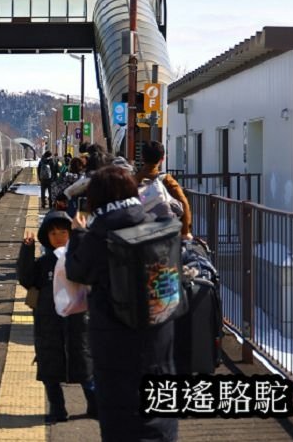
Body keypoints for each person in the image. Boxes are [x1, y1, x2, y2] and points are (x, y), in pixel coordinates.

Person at [65, 165, 178, 441]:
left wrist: (77, 234)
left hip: (115, 343)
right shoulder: (152, 221)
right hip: (158, 337)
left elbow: (76, 271)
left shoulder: (98, 235)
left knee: (121, 417)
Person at [17, 210, 96, 423]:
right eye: (53, 234)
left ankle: (95, 406)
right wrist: (27, 249)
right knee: (50, 372)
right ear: (47, 238)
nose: (59, 237)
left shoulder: (78, 259)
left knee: (85, 368)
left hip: (78, 323)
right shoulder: (44, 263)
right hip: (48, 324)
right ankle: (58, 410)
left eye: (63, 232)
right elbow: (26, 278)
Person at [135, 140, 192, 240]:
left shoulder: (133, 180)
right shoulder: (166, 180)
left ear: (142, 158)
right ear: (162, 159)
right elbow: (183, 203)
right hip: (164, 235)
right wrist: (185, 232)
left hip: (139, 234)